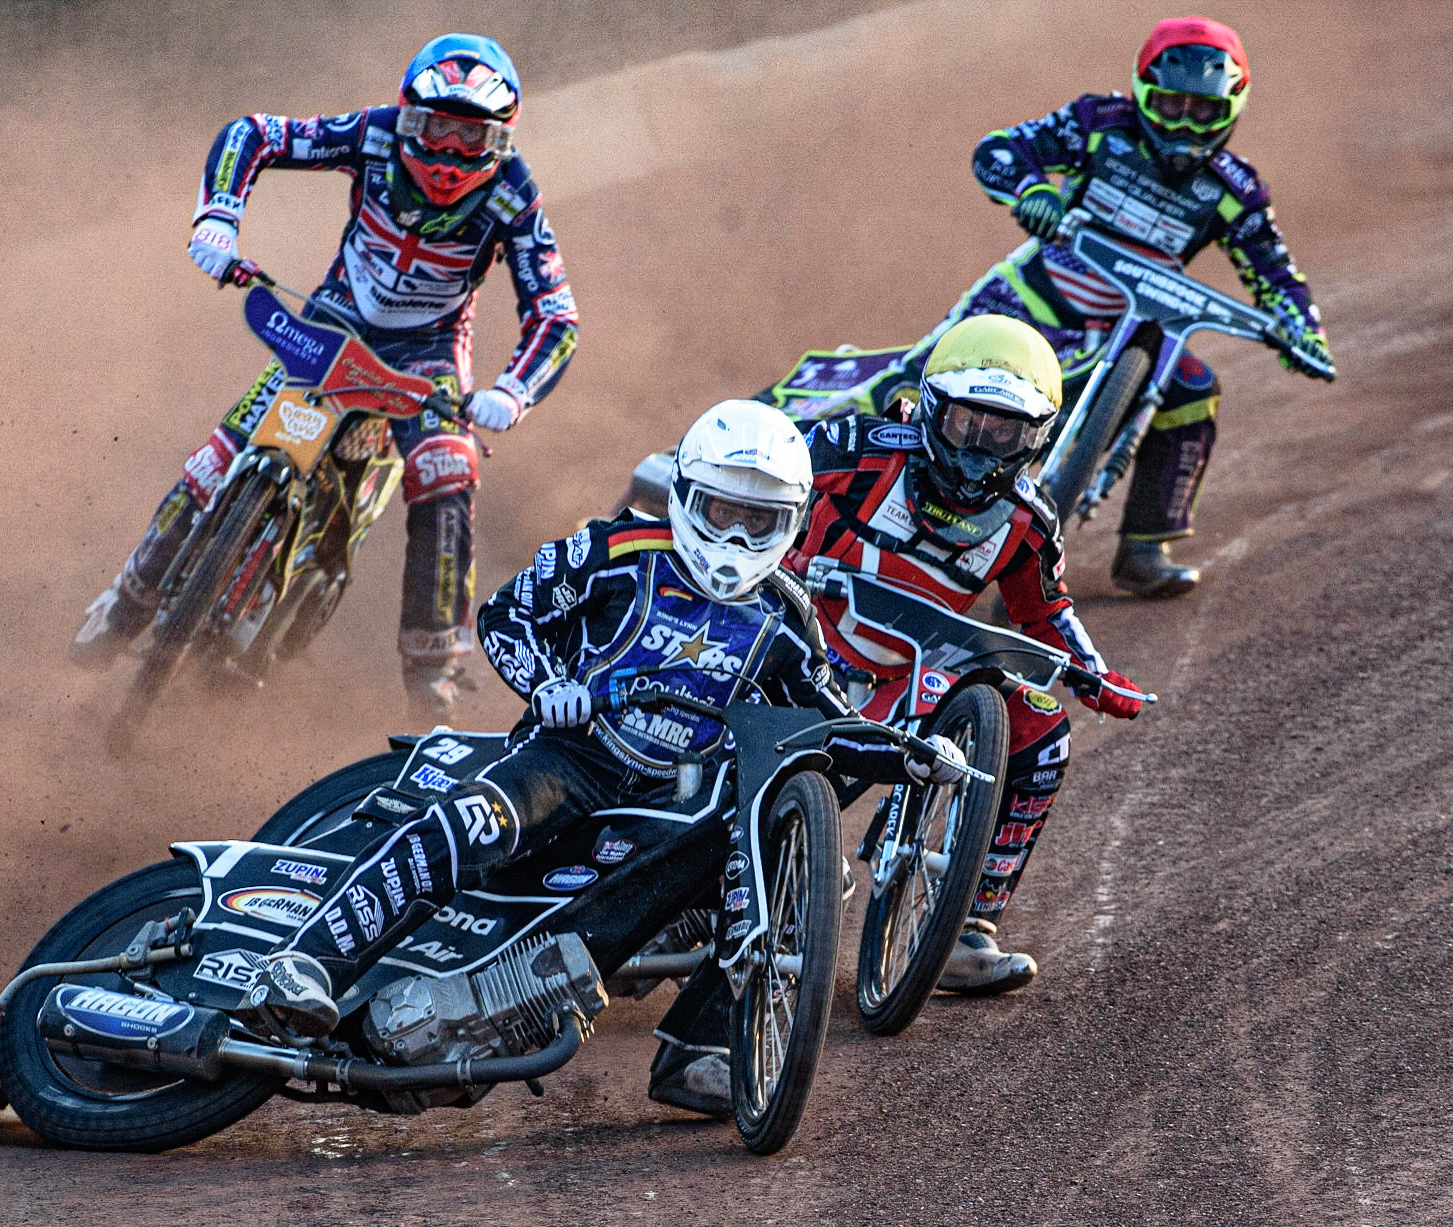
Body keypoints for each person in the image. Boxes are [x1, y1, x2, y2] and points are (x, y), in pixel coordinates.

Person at [251, 400, 966, 1116]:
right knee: (475, 821)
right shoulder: (611, 549)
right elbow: (506, 615)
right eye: (718, 510)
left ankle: (702, 1050)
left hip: (675, 796)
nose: (733, 534)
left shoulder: (786, 616)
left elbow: (828, 723)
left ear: (791, 522)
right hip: (571, 757)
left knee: (811, 871)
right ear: (686, 494)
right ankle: (304, 961)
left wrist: (915, 755)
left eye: (758, 520)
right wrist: (547, 683)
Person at [71, 34, 580, 717]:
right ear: (406, 116)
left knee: (446, 467)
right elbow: (253, 134)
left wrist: (511, 392)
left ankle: (436, 665)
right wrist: (218, 218)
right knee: (225, 447)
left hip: (427, 350)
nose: (448, 152)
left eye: (471, 136)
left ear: (501, 139)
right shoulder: (369, 135)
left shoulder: (515, 198)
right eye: (435, 128)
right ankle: (126, 600)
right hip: (335, 317)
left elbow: (555, 314)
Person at [778, 15, 1331, 597]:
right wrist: (1034, 191)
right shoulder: (1099, 125)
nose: (1185, 126)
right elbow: (998, 151)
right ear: (1145, 93)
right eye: (1171, 107)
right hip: (1028, 301)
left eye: (1203, 112)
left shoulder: (1235, 190)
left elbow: (1276, 272)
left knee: (1193, 391)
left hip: (1130, 335)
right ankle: (782, 459)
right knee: (917, 385)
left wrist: (1302, 330)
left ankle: (1146, 547)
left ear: (1232, 111)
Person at [788, 314, 1145, 994]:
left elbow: (1044, 612)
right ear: (929, 408)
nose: (979, 448)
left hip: (910, 683)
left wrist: (1094, 676)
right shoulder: (849, 448)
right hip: (795, 661)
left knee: (1042, 733)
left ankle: (965, 925)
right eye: (965, 423)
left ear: (1034, 437)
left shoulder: (1027, 522)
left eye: (1002, 431)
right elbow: (756, 501)